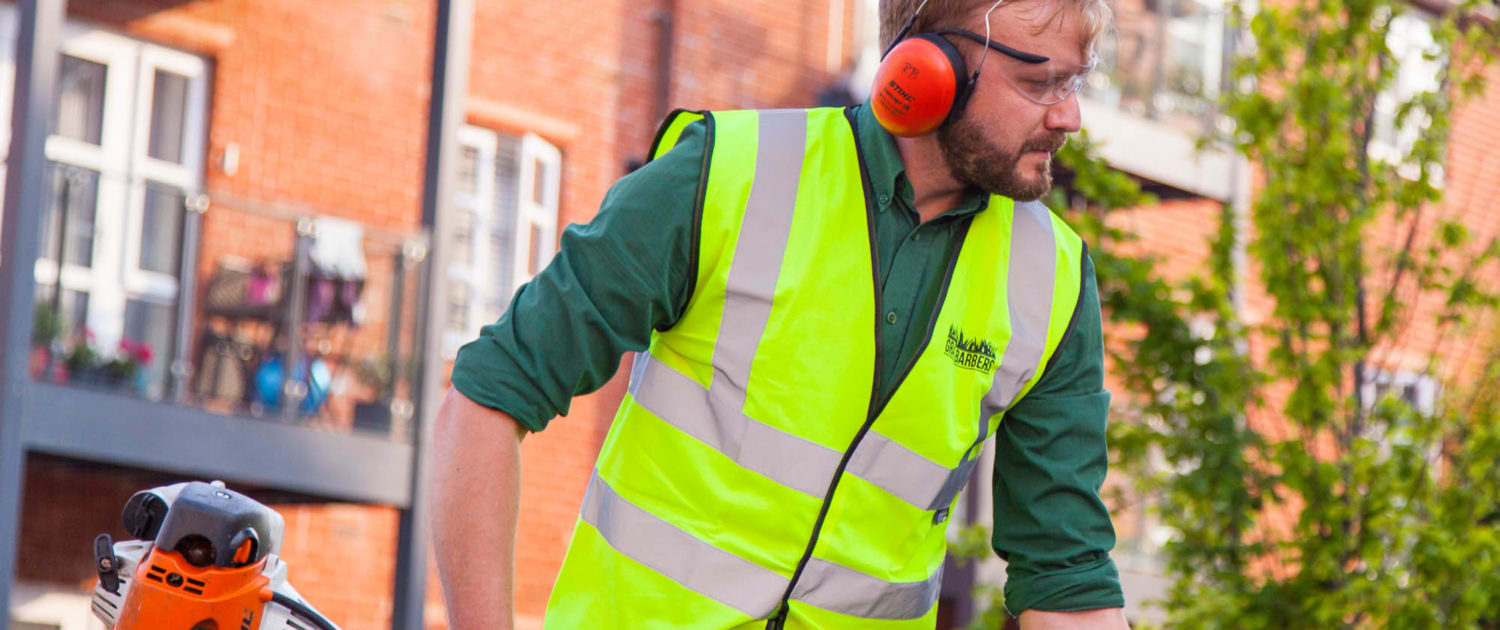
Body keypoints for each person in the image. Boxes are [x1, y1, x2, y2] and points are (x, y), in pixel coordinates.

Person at [431, 0, 1129, 628]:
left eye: (1074, 82)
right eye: (1040, 82)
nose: (1067, 115)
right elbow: (490, 396)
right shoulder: (725, 177)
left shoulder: (1055, 280)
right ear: (928, 66)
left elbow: (1067, 581)